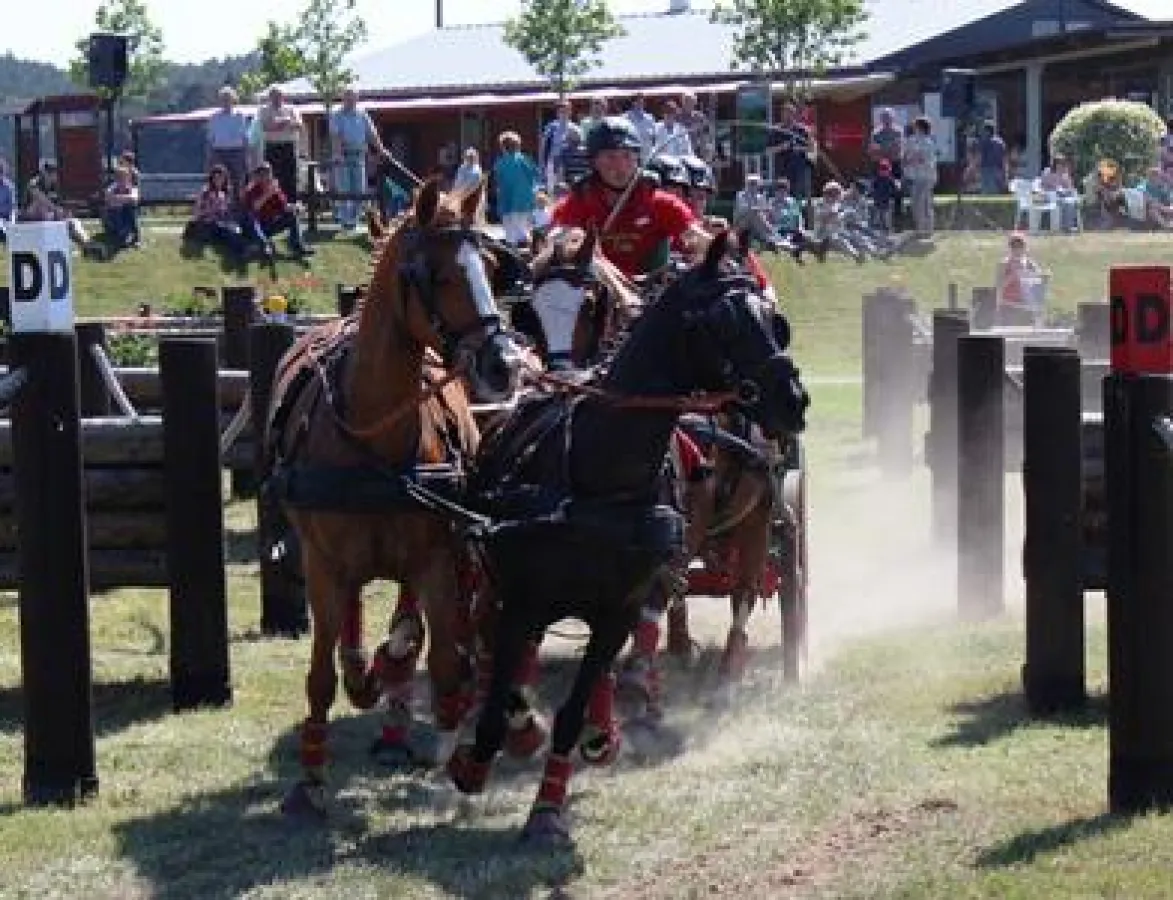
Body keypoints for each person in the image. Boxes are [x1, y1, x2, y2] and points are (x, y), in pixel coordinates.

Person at [548, 116, 711, 279]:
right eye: (610, 157)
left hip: (649, 296)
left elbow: (694, 235)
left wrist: (708, 247)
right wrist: (568, 242)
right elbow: (557, 241)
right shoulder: (578, 201)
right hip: (592, 294)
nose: (620, 166)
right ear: (594, 161)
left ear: (637, 159)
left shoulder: (660, 202)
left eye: (627, 155)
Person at [329, 87, 393, 230]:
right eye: (347, 97)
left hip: (359, 156)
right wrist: (338, 154)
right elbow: (336, 136)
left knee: (359, 190)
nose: (350, 100)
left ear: (357, 99)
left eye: (352, 97)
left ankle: (354, 220)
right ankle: (345, 221)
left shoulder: (362, 114)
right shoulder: (336, 115)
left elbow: (372, 135)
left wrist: (382, 150)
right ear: (343, 98)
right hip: (343, 156)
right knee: (344, 189)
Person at [239, 161, 314, 260]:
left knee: (292, 216)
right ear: (258, 176)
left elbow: (284, 207)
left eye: (268, 173)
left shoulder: (274, 189)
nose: (266, 177)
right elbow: (255, 207)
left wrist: (296, 207)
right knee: (252, 219)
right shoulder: (252, 189)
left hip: (269, 225)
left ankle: (297, 246)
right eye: (263, 173)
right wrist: (268, 194)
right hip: (254, 228)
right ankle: (263, 245)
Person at [184, 164, 245, 257]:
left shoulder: (225, 193)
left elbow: (226, 211)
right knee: (227, 232)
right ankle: (239, 252)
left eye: (221, 177)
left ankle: (244, 249)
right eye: (215, 178)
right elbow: (197, 212)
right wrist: (211, 210)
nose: (218, 180)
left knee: (235, 229)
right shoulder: (206, 192)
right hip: (207, 223)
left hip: (220, 222)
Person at [491, 130, 539, 247]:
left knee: (510, 233)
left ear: (503, 147)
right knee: (523, 231)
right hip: (524, 201)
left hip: (507, 201)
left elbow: (497, 181)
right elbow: (535, 176)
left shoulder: (499, 163)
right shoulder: (524, 160)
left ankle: (514, 255)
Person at [205, 86, 251, 195]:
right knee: (218, 180)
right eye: (223, 99)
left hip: (237, 152)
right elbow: (210, 139)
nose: (226, 101)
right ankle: (219, 205)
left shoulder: (240, 116)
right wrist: (209, 157)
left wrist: (247, 155)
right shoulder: (214, 117)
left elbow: (245, 137)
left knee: (238, 180)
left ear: (233, 99)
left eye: (228, 98)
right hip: (219, 152)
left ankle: (237, 207)